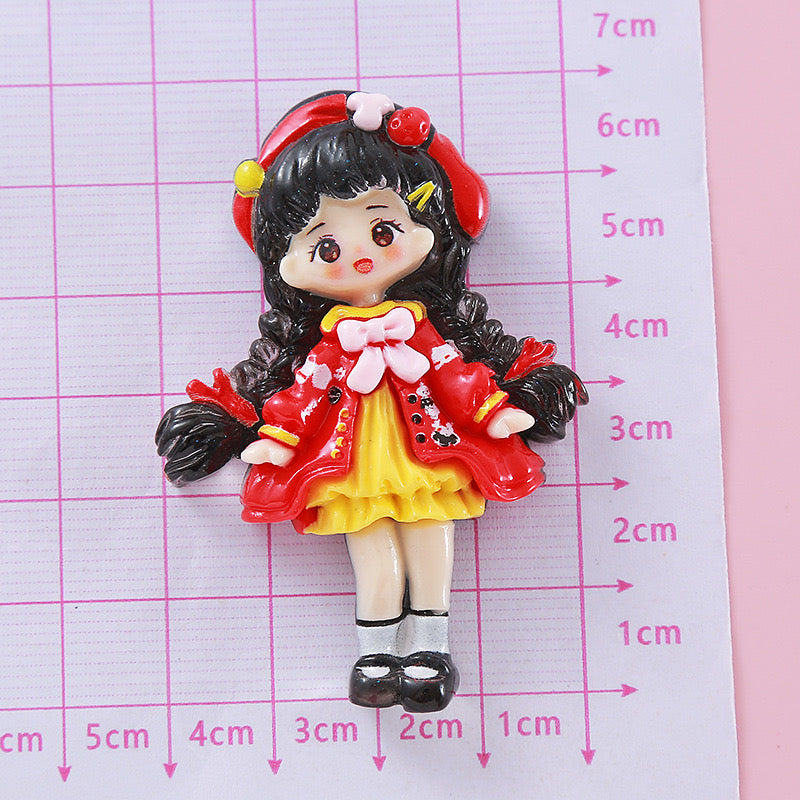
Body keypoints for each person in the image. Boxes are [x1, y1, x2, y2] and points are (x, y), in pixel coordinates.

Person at [156, 91, 587, 712]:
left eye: (383, 230)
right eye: (325, 248)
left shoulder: (421, 328)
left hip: (428, 449)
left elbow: (456, 375)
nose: (360, 256)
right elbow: (302, 397)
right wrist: (274, 441)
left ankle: (431, 650)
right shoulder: (329, 343)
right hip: (351, 460)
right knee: (374, 555)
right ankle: (377, 655)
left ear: (427, 227)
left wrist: (495, 411)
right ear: (286, 263)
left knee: (430, 542)